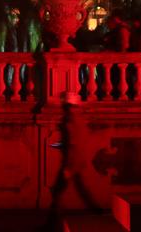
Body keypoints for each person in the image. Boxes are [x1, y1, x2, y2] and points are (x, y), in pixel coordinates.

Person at [42, 92, 99, 230]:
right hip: (76, 161)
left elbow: (72, 142)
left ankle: (51, 225)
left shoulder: (70, 120)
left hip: (71, 162)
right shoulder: (78, 119)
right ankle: (97, 211)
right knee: (81, 189)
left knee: (57, 193)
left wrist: (68, 167)